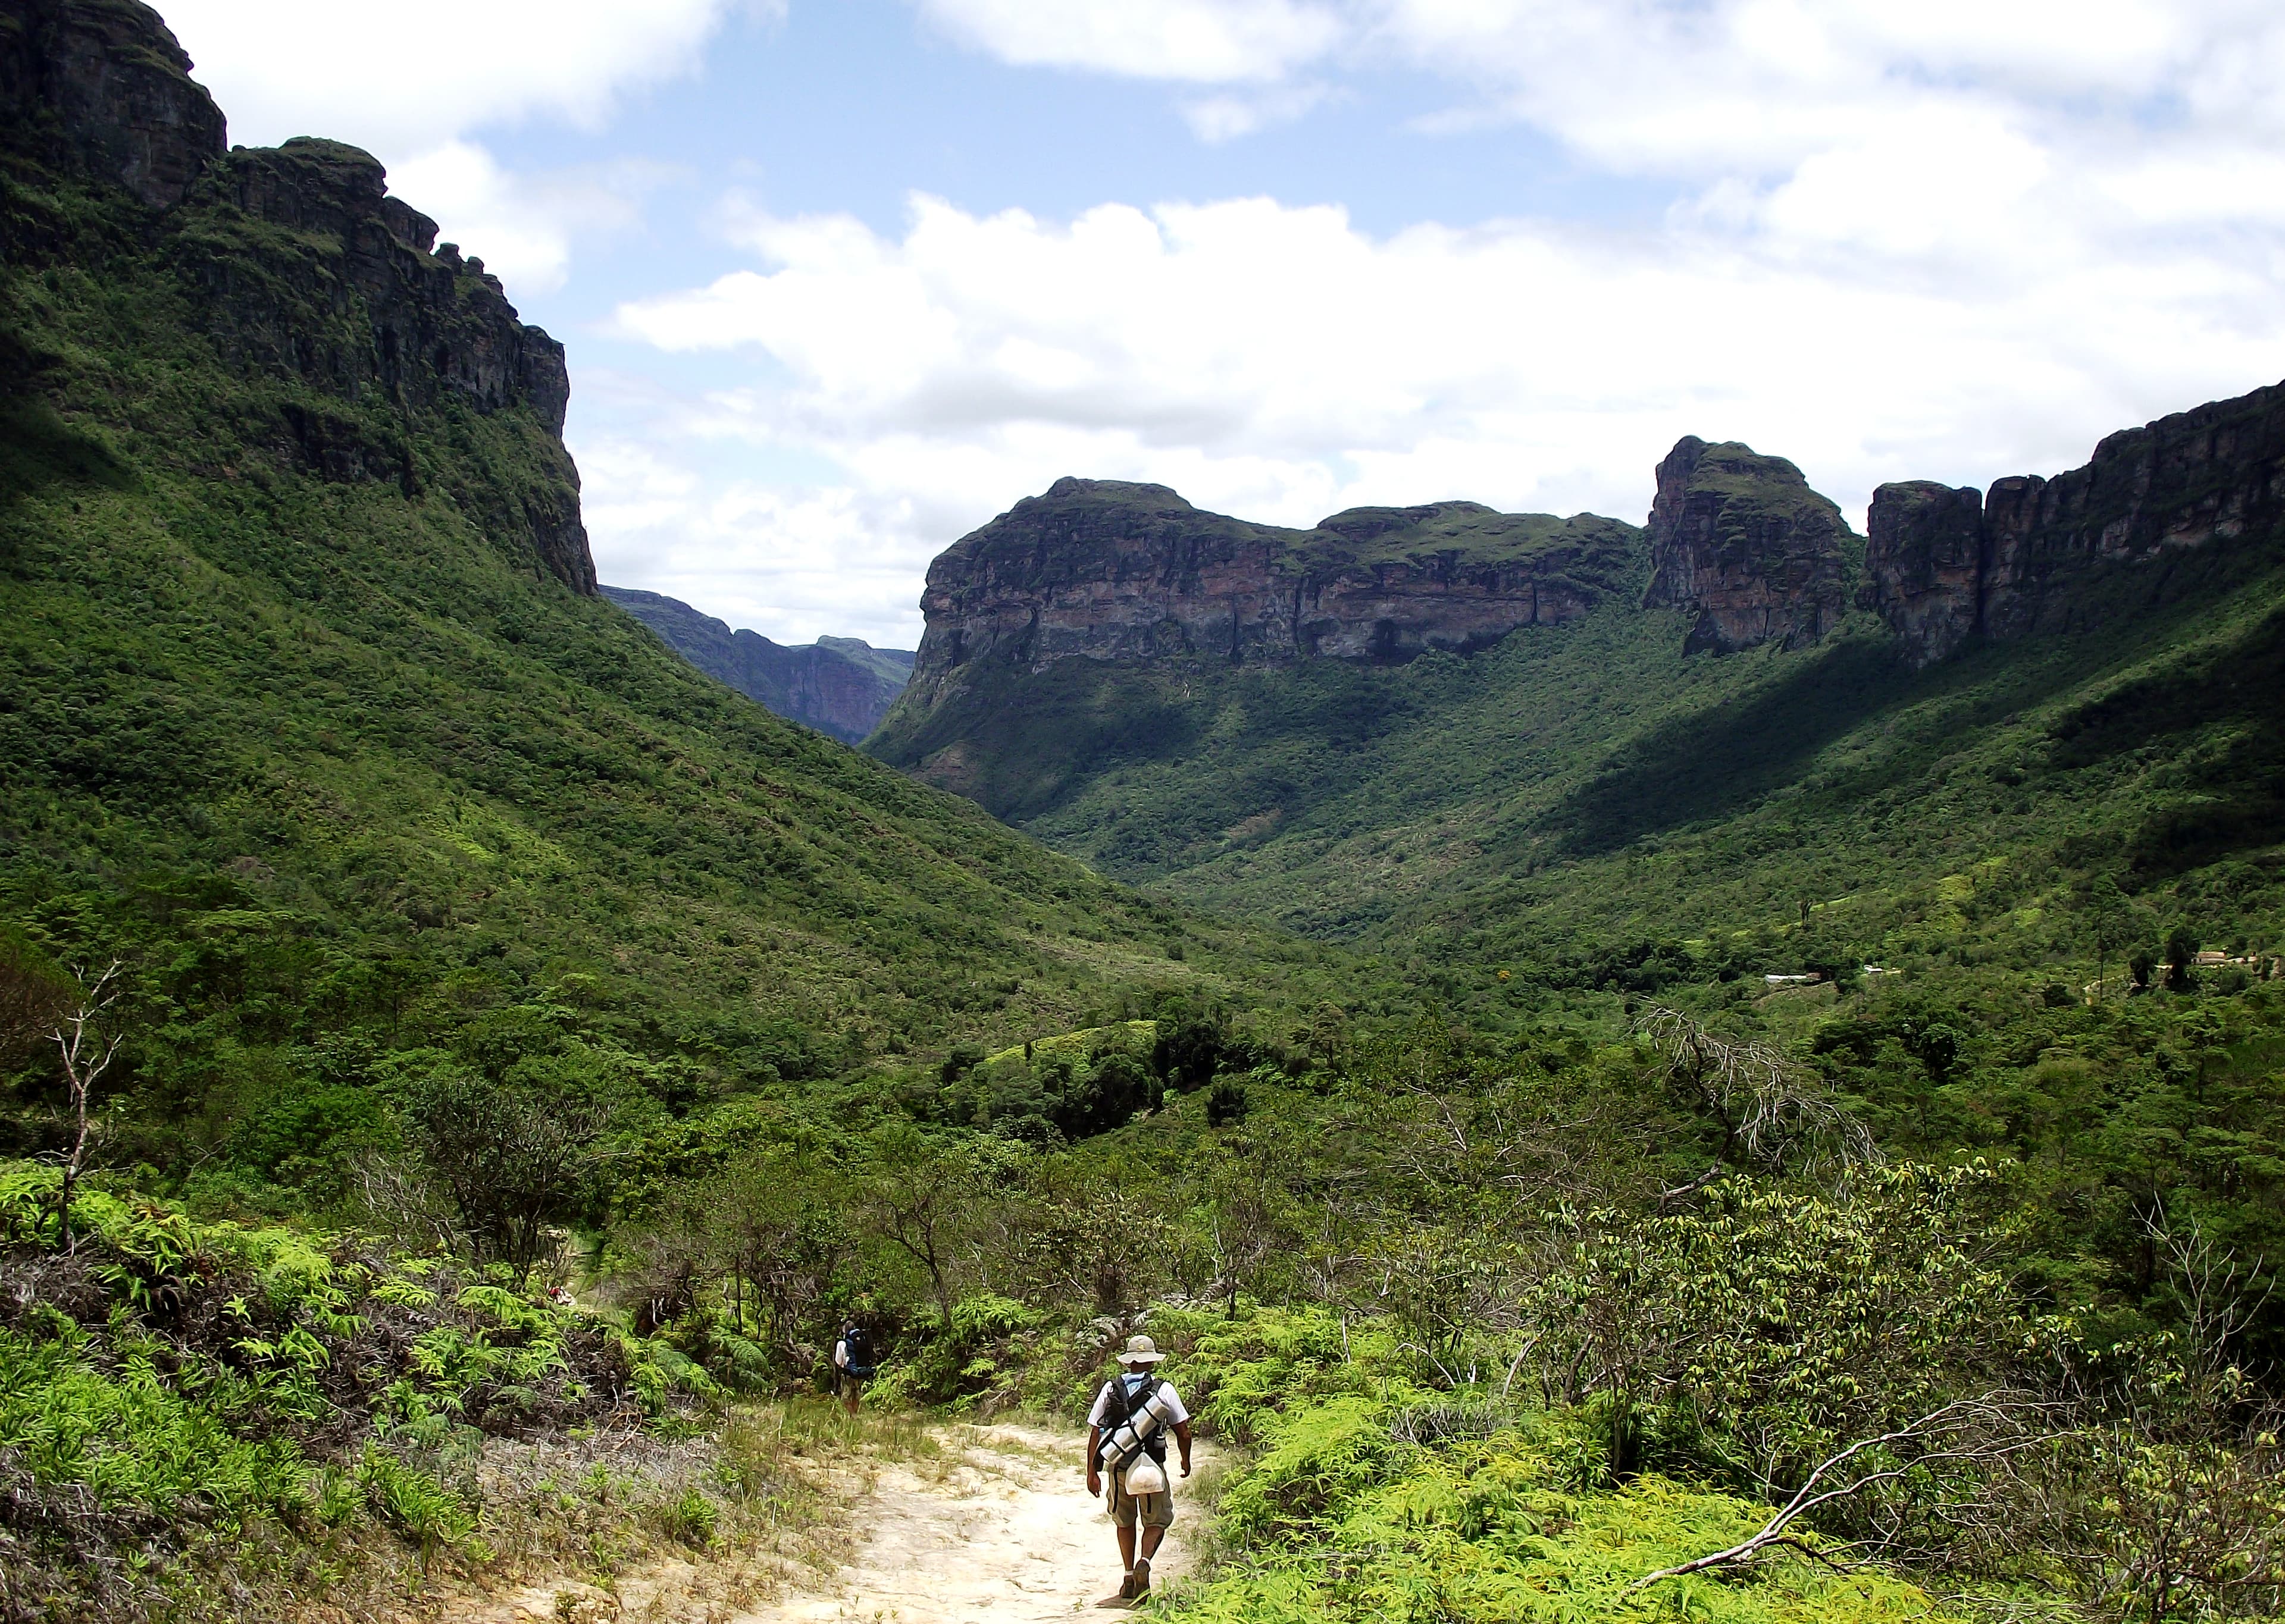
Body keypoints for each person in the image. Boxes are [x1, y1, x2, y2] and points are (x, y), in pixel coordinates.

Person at [1085, 1334, 1192, 1600]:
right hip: (1152, 1467)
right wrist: (1185, 1460)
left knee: (1124, 1521)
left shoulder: (1111, 1388)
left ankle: (1129, 1574)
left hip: (1119, 1464)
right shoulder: (1163, 1389)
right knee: (1157, 1519)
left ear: (1129, 1362)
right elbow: (1183, 1431)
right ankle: (1145, 1560)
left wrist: (1091, 1471)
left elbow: (1096, 1431)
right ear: (1152, 1362)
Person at [831, 1318, 874, 1416]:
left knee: (845, 1397)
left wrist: (844, 1366)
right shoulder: (862, 1340)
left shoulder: (842, 1343)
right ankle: (855, 1414)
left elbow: (838, 1361)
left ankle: (853, 1416)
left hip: (848, 1373)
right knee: (856, 1395)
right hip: (861, 1371)